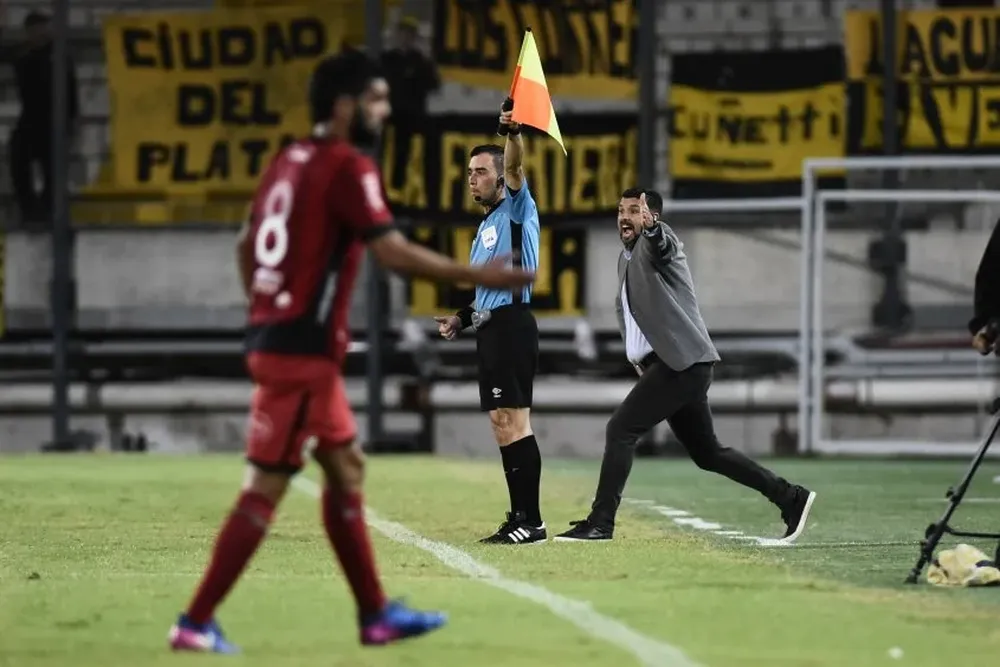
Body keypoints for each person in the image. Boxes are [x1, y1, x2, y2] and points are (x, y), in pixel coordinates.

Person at [167, 50, 535, 654]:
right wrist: (473, 274)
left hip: (288, 344)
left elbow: (243, 244)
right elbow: (390, 252)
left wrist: (261, 315)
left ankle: (374, 615)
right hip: (302, 355)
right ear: (345, 106)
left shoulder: (287, 159)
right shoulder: (347, 164)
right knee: (264, 488)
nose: (386, 112)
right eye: (377, 100)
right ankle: (195, 621)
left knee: (347, 470)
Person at [554, 188, 816, 543]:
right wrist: (637, 357)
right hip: (672, 366)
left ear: (652, 217)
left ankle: (601, 522)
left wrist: (653, 231)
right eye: (621, 210)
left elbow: (664, 246)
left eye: (634, 211)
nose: (624, 217)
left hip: (681, 364)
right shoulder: (625, 258)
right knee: (707, 453)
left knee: (620, 429)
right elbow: (633, 313)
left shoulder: (657, 242)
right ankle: (790, 497)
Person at [433, 103, 546, 545]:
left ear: (501, 178)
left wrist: (512, 133)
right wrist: (462, 319)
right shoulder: (485, 227)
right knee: (502, 422)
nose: (472, 179)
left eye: (480, 171)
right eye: (469, 172)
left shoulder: (517, 207)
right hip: (492, 328)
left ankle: (531, 521)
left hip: (513, 327)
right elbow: (486, 294)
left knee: (515, 422)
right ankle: (520, 516)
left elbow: (517, 163)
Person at [0, 7, 78, 224]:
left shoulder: (59, 54)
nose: (40, 33)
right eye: (35, 29)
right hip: (31, 119)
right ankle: (31, 211)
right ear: (28, 31)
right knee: (18, 160)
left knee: (52, 172)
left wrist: (71, 124)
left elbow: (72, 92)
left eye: (43, 28)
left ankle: (48, 213)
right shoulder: (23, 54)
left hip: (55, 120)